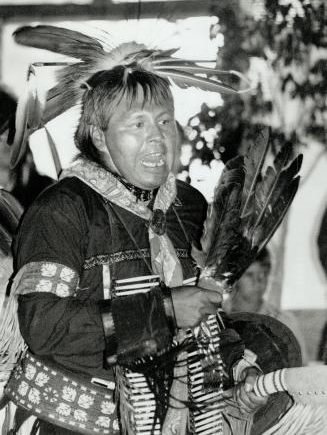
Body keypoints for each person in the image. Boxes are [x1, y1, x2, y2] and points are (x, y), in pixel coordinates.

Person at [4, 25, 301, 435]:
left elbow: (204, 315)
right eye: (137, 125)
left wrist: (238, 368)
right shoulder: (63, 209)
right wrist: (162, 311)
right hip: (73, 423)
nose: (158, 139)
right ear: (99, 137)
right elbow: (44, 326)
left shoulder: (188, 206)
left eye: (164, 121)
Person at [225, 248, 308, 364]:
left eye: (264, 273)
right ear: (234, 279)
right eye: (250, 274)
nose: (259, 281)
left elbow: (301, 371)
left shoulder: (284, 321)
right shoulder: (219, 319)